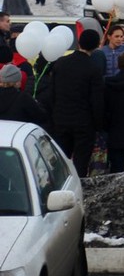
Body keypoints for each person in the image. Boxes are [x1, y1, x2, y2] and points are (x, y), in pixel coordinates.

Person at [40, 29, 104, 176]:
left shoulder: (61, 63)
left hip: (61, 119)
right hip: (84, 123)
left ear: (79, 42)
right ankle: (77, 190)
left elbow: (52, 93)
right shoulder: (93, 69)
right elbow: (97, 101)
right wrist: (99, 125)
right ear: (95, 46)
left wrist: (54, 115)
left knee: (60, 160)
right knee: (81, 162)